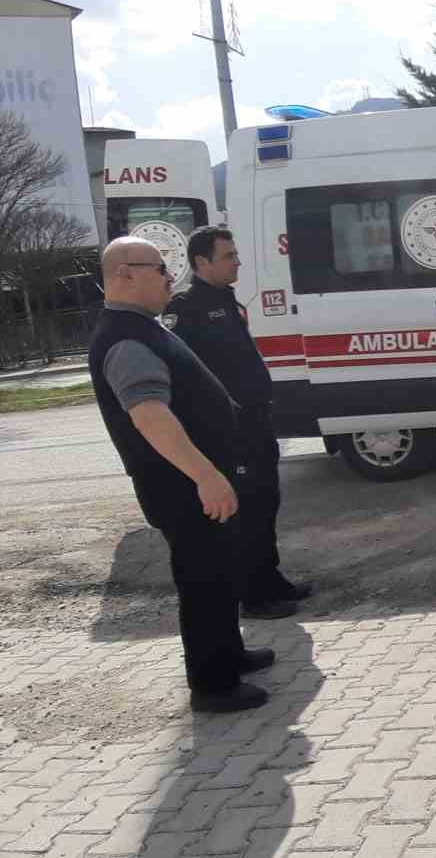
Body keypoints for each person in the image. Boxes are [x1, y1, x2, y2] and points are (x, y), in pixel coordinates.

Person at [88, 237, 274, 714]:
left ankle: (228, 654)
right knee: (203, 580)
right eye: (159, 267)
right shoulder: (126, 338)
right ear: (124, 274)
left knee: (219, 571)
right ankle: (214, 686)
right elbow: (149, 415)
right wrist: (206, 476)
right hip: (182, 486)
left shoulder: (142, 327)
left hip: (196, 482)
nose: (171, 276)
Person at [168, 226, 311, 620]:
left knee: (266, 502)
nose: (238, 262)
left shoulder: (226, 300)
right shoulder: (187, 310)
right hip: (230, 431)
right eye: (229, 256)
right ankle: (254, 596)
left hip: (256, 422)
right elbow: (184, 378)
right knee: (246, 512)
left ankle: (270, 579)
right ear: (202, 262)